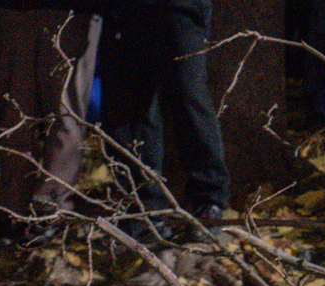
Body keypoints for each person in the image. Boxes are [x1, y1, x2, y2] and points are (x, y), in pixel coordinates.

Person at [97, 0, 229, 228]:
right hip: (123, 14)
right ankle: (144, 207)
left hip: (180, 10)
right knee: (129, 114)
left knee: (189, 100)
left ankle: (210, 200)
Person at [0, 0, 100, 236]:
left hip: (73, 13)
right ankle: (12, 208)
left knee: (65, 114)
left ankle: (50, 211)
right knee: (15, 114)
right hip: (13, 12)